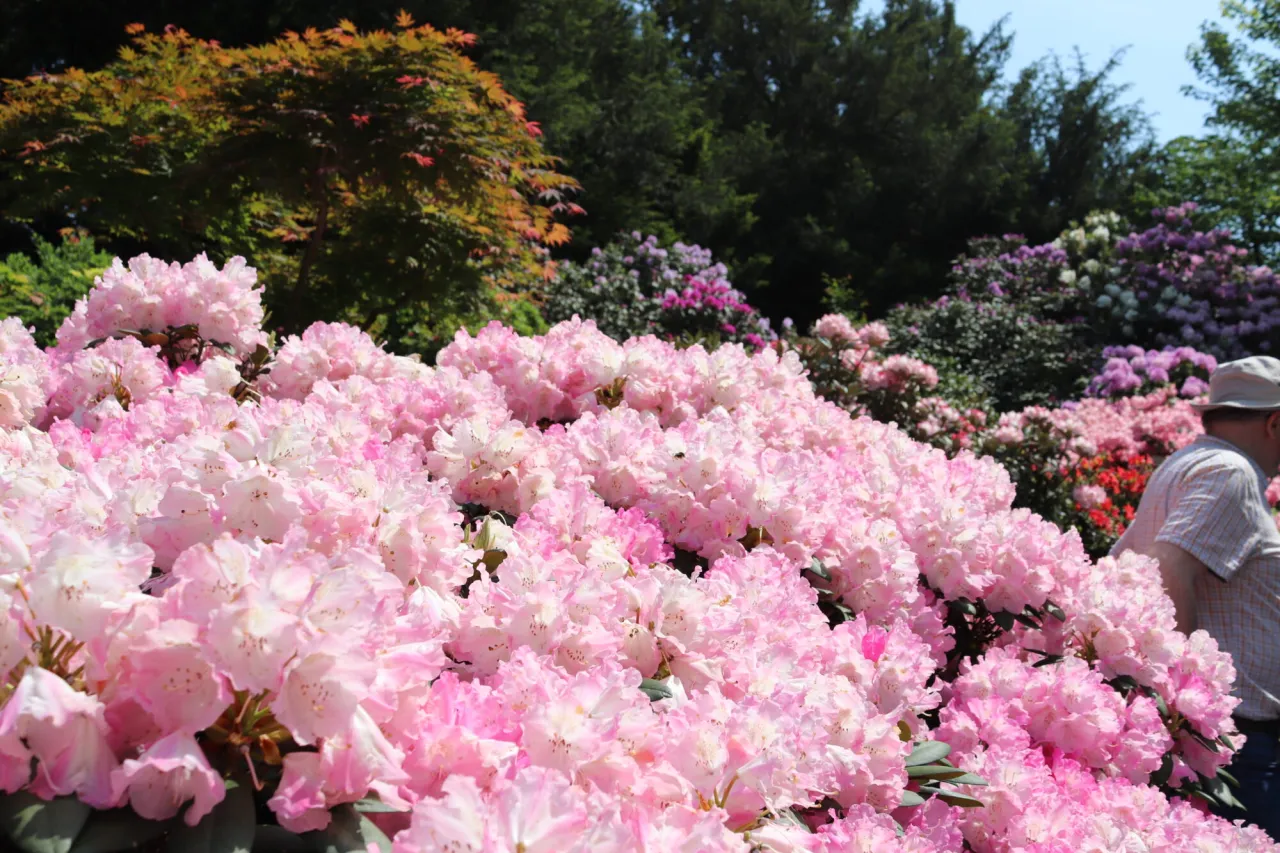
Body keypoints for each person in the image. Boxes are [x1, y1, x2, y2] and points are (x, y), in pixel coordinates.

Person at [1112, 355, 1280, 838]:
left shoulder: (1188, 462)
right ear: (1274, 422)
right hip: (1231, 737)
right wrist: (1181, 701)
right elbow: (1169, 566)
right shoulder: (1230, 472)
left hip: (1223, 732)